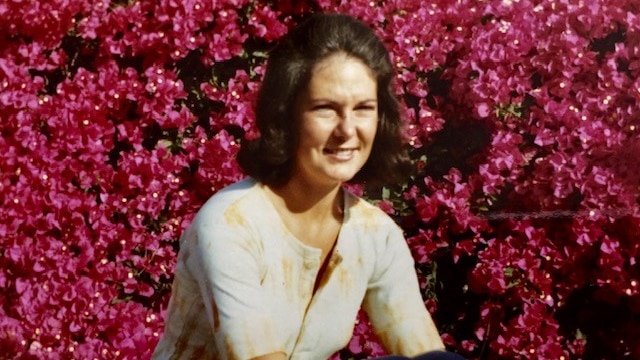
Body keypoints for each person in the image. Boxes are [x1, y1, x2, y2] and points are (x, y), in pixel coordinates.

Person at [152, 13, 464, 360]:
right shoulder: (231, 224)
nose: (347, 130)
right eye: (325, 109)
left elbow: (425, 352)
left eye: (363, 109)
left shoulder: (376, 235)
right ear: (286, 116)